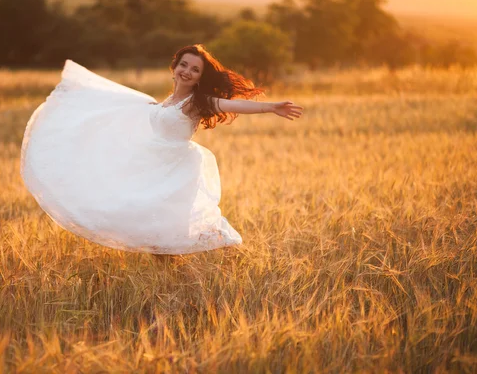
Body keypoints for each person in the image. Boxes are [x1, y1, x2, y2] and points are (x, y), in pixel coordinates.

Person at [20, 44, 303, 255]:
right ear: (174, 66)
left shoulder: (197, 101)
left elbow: (228, 105)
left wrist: (270, 107)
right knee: (156, 239)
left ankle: (221, 261)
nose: (188, 72)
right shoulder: (166, 101)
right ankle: (187, 279)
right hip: (151, 167)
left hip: (174, 171)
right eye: (184, 64)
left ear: (201, 77)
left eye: (195, 69)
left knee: (165, 237)